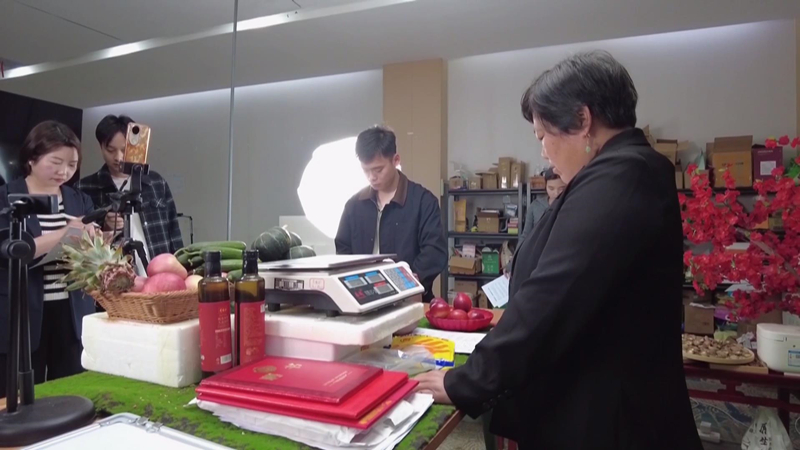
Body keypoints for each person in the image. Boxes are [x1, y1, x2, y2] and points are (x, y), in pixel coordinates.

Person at [415, 51, 702, 449]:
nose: (544, 152)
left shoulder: (623, 176)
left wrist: (467, 380)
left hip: (609, 423)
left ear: (582, 120)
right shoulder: (622, 172)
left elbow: (551, 298)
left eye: (542, 136)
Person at [0, 121, 99, 397]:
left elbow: (90, 252)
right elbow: (9, 249)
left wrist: (95, 237)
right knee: (18, 395)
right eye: (56, 162)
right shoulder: (7, 198)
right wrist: (63, 233)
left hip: (71, 311)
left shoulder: (79, 199)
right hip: (21, 312)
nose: (64, 172)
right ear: (31, 158)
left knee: (70, 393)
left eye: (72, 165)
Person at [335, 126, 447, 302]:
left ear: (396, 160)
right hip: (363, 297)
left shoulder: (423, 202)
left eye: (378, 170)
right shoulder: (354, 206)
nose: (371, 177)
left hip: (409, 299)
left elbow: (434, 252)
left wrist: (405, 284)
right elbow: (343, 249)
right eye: (366, 170)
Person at [76, 115, 183, 275]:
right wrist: (104, 227)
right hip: (113, 277)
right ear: (101, 147)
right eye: (110, 150)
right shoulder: (85, 187)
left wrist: (181, 268)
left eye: (124, 150)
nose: (118, 157)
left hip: (159, 271)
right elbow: (79, 244)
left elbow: (173, 230)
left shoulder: (156, 182)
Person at [519, 167, 565, 247]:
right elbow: (526, 235)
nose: (556, 193)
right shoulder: (535, 206)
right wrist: (518, 252)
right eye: (551, 188)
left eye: (561, 189)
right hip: (538, 249)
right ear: (546, 186)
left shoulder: (571, 206)